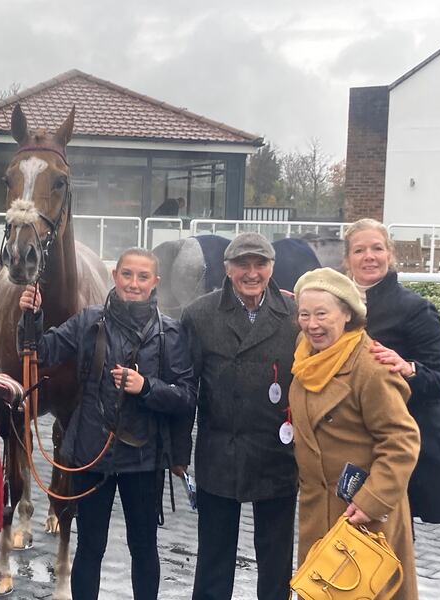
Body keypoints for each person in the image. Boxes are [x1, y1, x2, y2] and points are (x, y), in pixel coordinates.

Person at [18, 248, 196, 600]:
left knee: (143, 547)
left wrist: (146, 388)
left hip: (144, 458)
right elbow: (43, 352)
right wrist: (33, 316)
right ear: (115, 276)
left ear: (154, 283)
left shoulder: (170, 333)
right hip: (90, 454)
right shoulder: (88, 321)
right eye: (127, 274)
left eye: (142, 277)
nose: (133, 283)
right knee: (90, 547)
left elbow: (187, 395)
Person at [343, 218, 440, 591]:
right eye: (360, 250)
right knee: (386, 534)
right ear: (347, 258)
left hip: (430, 438)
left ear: (390, 254)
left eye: (377, 248)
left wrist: (408, 367)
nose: (369, 256)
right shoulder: (338, 307)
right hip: (373, 443)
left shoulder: (414, 308)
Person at [290, 267, 420, 600]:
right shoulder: (305, 358)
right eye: (305, 314)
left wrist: (371, 500)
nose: (312, 324)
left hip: (364, 516)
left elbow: (402, 440)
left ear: (347, 313)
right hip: (319, 512)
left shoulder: (369, 366)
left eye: (322, 314)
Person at [181, 232, 298, 600]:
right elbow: (188, 388)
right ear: (228, 269)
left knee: (277, 558)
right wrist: (178, 452)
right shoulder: (199, 314)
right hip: (220, 453)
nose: (252, 273)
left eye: (259, 264)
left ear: (271, 268)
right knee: (214, 557)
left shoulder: (296, 315)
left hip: (277, 456)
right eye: (242, 265)